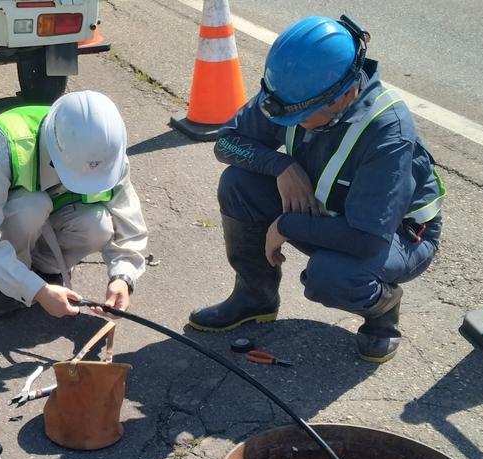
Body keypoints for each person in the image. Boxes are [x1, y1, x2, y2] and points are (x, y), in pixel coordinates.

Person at [188, 15, 444, 363]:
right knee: (238, 184)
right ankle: (255, 298)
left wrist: (285, 225)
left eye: (301, 117)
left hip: (395, 236)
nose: (286, 123)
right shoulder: (290, 96)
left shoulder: (388, 133)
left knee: (331, 275)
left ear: (344, 96)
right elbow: (227, 143)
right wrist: (282, 165)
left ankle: (383, 311)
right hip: (329, 208)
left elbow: (367, 239)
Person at [0, 91, 149, 318]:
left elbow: (129, 222)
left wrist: (122, 278)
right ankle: (12, 278)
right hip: (12, 213)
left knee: (98, 224)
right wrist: (35, 290)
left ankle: (47, 269)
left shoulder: (106, 155)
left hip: (55, 212)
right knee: (31, 205)